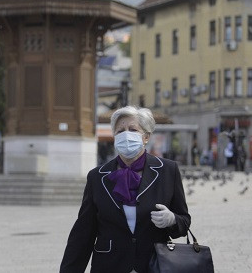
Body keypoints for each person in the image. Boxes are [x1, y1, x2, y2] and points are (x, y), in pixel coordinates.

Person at [60, 106, 191, 273]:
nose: (126, 135)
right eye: (120, 131)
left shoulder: (168, 170)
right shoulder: (97, 177)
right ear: (114, 137)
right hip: (109, 265)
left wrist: (173, 220)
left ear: (146, 137)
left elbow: (184, 221)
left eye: (133, 129)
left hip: (154, 265)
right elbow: (83, 233)